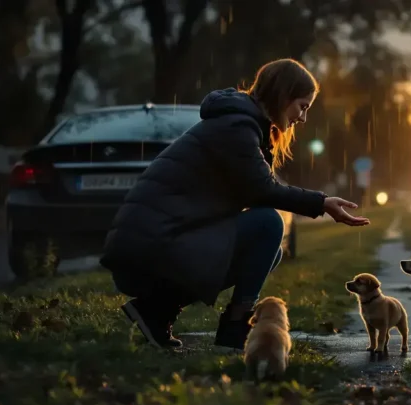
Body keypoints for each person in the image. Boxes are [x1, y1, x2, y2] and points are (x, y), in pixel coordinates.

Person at [100, 58, 370, 352]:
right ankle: (235, 325)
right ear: (283, 95)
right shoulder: (236, 127)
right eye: (302, 106)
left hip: (159, 245)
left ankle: (156, 312)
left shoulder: (243, 125)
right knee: (268, 223)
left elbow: (253, 192)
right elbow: (262, 191)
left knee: (270, 253)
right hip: (147, 252)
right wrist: (322, 202)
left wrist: (319, 202)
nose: (303, 118)